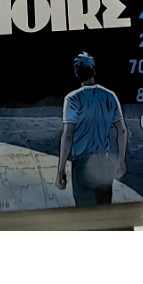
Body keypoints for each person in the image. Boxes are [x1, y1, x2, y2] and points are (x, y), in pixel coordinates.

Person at [55, 52, 127, 206]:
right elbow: (122, 130)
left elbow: (68, 136)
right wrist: (121, 160)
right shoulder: (110, 96)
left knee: (85, 215)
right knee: (105, 213)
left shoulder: (72, 99)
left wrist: (60, 170)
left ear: (77, 74)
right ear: (94, 71)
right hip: (105, 163)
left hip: (82, 165)